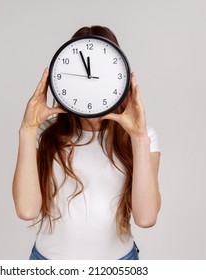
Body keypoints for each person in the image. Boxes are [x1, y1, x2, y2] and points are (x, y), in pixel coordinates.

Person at [12, 25, 161, 260]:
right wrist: (27, 130)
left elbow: (146, 217)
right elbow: (27, 210)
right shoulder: (44, 134)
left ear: (118, 79)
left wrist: (139, 137)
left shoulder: (142, 137)